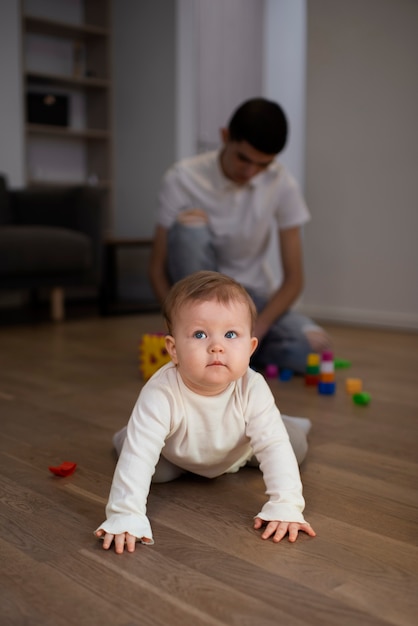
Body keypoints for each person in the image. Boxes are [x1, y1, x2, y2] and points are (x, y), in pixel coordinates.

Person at [95, 271, 316, 553]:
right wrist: (125, 514)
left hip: (240, 448)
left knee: (291, 446)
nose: (216, 346)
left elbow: (273, 446)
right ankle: (127, 434)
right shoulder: (161, 392)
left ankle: (281, 420)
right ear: (173, 350)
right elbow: (139, 456)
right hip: (179, 453)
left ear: (250, 348)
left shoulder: (252, 386)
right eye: (200, 334)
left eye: (231, 334)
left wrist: (285, 505)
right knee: (146, 462)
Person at [149, 97, 331, 374]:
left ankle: (220, 352)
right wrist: (175, 323)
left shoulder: (281, 182)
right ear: (225, 137)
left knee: (309, 349)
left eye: (263, 165)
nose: (251, 172)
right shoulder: (182, 178)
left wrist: (258, 327)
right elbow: (156, 269)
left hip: (251, 299)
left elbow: (294, 279)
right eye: (243, 158)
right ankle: (215, 346)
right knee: (189, 227)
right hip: (198, 300)